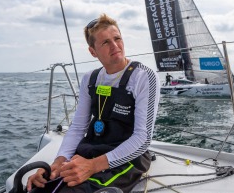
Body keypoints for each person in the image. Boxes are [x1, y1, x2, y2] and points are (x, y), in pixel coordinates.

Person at [27, 13, 160, 193]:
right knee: (41, 186)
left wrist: (93, 166)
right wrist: (58, 163)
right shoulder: (91, 79)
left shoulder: (143, 77)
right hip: (91, 149)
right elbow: (78, 127)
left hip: (128, 158)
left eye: (117, 38)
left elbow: (142, 140)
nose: (115, 46)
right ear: (93, 51)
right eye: (105, 42)